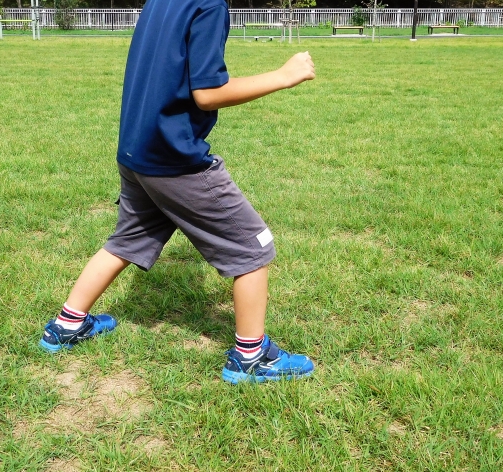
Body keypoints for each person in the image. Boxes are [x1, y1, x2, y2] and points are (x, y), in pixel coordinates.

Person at [39, 0, 316, 384]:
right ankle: (251, 358)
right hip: (173, 160)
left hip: (136, 150)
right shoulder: (209, 4)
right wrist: (284, 75)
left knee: (127, 240)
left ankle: (66, 325)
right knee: (253, 247)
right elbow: (208, 92)